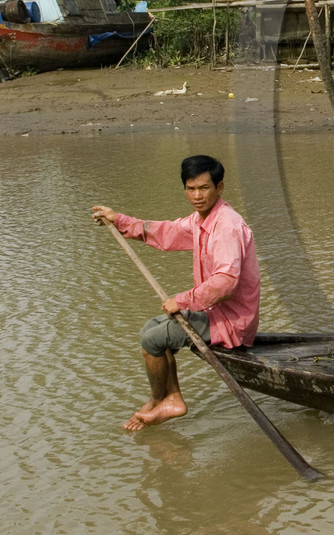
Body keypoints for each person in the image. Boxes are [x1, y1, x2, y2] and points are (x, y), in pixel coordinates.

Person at [91, 155, 260, 432]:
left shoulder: (227, 226)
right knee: (152, 328)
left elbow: (225, 283)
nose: (197, 195)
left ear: (220, 188)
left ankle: (164, 399)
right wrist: (120, 221)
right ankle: (168, 398)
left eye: (204, 188)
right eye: (191, 188)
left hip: (232, 322)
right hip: (213, 312)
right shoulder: (201, 220)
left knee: (153, 338)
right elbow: (168, 232)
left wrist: (181, 300)